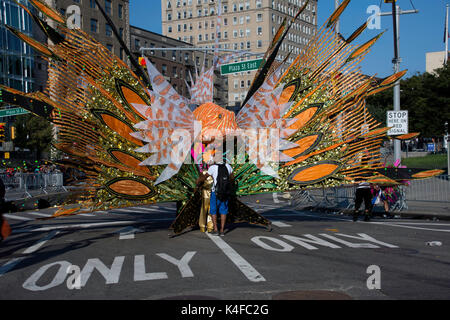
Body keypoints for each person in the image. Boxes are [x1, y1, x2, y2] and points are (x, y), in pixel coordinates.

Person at [206, 159, 234, 236]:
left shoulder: (212, 167)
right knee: (223, 210)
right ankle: (222, 230)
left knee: (213, 210)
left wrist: (198, 181)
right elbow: (232, 178)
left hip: (215, 192)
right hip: (225, 193)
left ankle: (215, 229)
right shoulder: (228, 166)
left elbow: (205, 176)